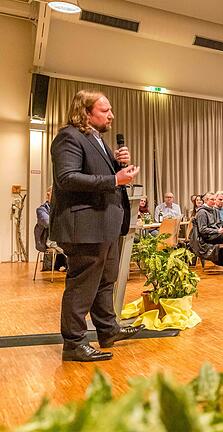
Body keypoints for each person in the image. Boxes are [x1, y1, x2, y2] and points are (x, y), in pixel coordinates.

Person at [49, 90, 144, 362]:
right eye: (105, 110)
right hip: (85, 225)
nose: (111, 115)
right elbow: (67, 178)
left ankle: (108, 329)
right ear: (86, 112)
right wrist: (115, 179)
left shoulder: (95, 139)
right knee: (82, 286)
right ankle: (74, 343)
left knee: (105, 281)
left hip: (105, 224)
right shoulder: (69, 136)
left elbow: (96, 173)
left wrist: (117, 164)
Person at [34, 186, 67, 271]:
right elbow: (48, 223)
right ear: (48, 195)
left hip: (62, 237)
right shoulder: (41, 210)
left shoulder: (61, 208)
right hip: (49, 240)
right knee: (69, 249)